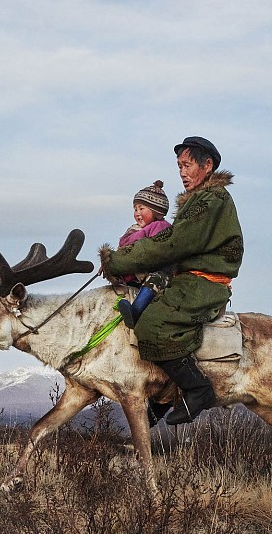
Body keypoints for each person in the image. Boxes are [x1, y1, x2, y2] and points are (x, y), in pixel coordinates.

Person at [102, 136, 242, 425]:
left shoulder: (212, 199)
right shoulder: (199, 201)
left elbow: (173, 244)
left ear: (207, 165)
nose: (182, 172)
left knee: (152, 326)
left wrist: (120, 260)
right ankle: (164, 398)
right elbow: (169, 240)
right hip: (188, 279)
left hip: (203, 283)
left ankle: (197, 389)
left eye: (187, 165)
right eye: (179, 166)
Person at [115, 180, 172, 329]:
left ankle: (135, 311)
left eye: (141, 208)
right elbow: (122, 250)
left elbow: (155, 251)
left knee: (155, 279)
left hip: (158, 273)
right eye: (135, 209)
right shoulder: (133, 230)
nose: (137, 213)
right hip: (135, 274)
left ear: (157, 211)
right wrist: (110, 263)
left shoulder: (161, 227)